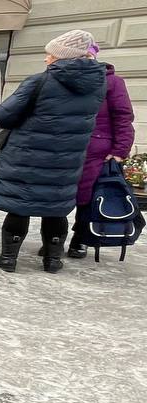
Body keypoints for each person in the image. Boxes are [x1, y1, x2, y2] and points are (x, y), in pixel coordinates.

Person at [0, 29, 106, 273]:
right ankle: (53, 260)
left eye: (50, 55)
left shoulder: (39, 81)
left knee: (19, 206)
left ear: (62, 57)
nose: (46, 59)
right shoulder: (97, 85)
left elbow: (2, 115)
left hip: (28, 156)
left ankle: (8, 258)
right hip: (67, 160)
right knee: (56, 207)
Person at [69, 52, 136, 258]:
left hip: (98, 152)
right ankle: (53, 240)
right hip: (67, 146)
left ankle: (81, 238)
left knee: (89, 197)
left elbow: (123, 117)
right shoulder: (65, 80)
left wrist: (119, 150)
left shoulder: (112, 82)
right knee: (59, 196)